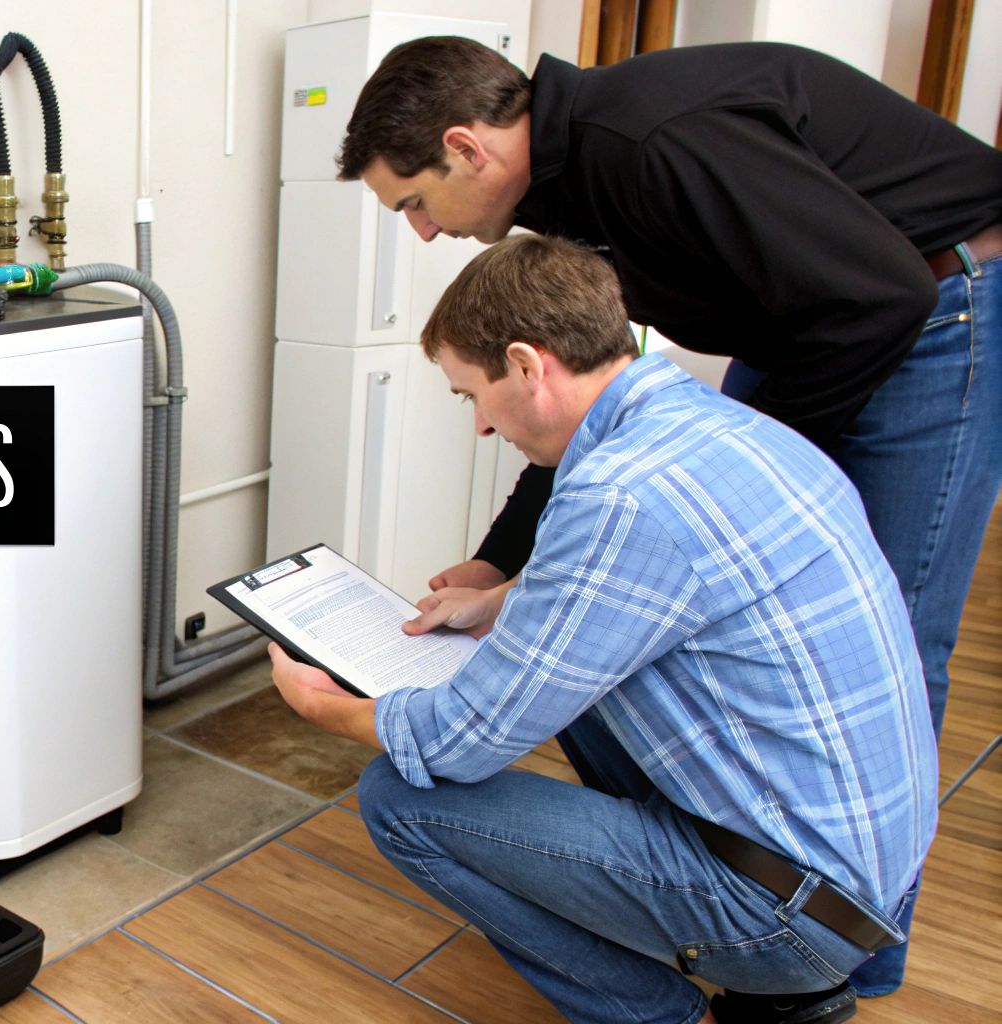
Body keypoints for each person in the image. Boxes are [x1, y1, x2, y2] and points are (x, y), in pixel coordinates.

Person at [334, 36, 1001, 995]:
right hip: (805, 317)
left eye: (414, 204)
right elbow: (587, 410)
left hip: (931, 298)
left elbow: (880, 296)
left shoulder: (646, 143)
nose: (423, 234)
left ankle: (844, 964)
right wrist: (497, 563)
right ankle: (702, 873)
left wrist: (733, 490)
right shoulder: (568, 200)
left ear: (467, 148)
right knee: (636, 621)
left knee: (898, 625)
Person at [269, 234, 936, 1024]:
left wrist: (325, 708)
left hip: (792, 914)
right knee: (564, 679)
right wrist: (503, 603)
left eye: (468, 395)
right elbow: (662, 591)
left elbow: (461, 741)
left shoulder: (622, 495)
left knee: (397, 797)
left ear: (526, 366)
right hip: (859, 875)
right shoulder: (720, 430)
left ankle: (662, 1012)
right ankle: (778, 973)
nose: (481, 428)